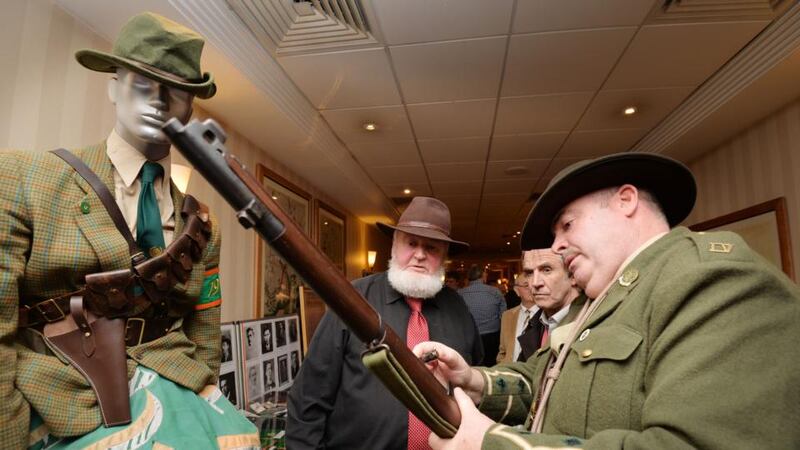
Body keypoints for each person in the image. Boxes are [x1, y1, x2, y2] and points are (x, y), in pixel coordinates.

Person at [414, 152, 800, 449]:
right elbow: (544, 380)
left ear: (626, 200)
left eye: (567, 224)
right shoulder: (595, 300)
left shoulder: (715, 282)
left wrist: (494, 444)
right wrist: (475, 380)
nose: (557, 247)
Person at [0, 12, 258, 448]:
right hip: (62, 399)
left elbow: (204, 328)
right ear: (112, 86)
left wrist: (204, 392)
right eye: (141, 84)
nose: (158, 102)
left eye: (175, 92)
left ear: (191, 107)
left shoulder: (199, 220)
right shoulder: (25, 178)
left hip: (175, 386)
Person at [287, 196, 483, 450]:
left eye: (432, 248)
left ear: (444, 256)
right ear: (394, 246)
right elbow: (308, 400)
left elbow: (477, 385)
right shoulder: (351, 301)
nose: (419, 255)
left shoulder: (458, 308)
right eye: (411, 243)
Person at [503, 248, 581, 363]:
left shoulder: (594, 322)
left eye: (547, 270)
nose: (535, 283)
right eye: (529, 273)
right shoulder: (535, 325)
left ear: (573, 275)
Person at [458, 265, 506, 365]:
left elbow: (457, 317)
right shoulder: (495, 292)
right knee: (491, 364)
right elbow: (504, 315)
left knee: (473, 365)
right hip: (492, 336)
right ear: (483, 276)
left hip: (469, 336)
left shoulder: (460, 294)